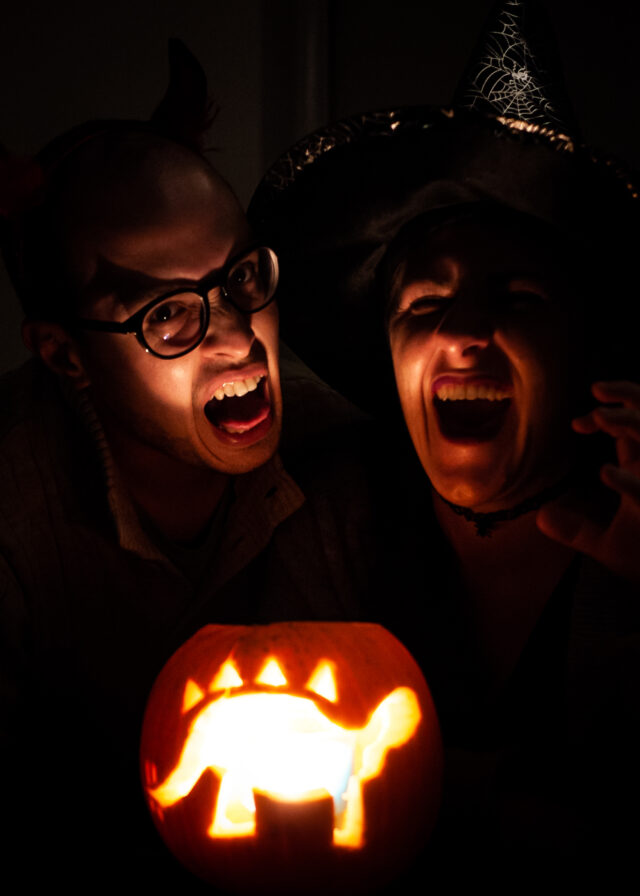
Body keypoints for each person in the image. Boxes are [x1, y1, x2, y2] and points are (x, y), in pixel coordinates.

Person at [248, 0, 640, 880]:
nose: (463, 332)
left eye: (518, 300)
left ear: (591, 349)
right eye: (425, 306)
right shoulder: (331, 512)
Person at [0, 41, 376, 889]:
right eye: (168, 317)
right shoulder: (14, 505)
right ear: (65, 356)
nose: (239, 336)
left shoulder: (345, 460)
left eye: (241, 276)